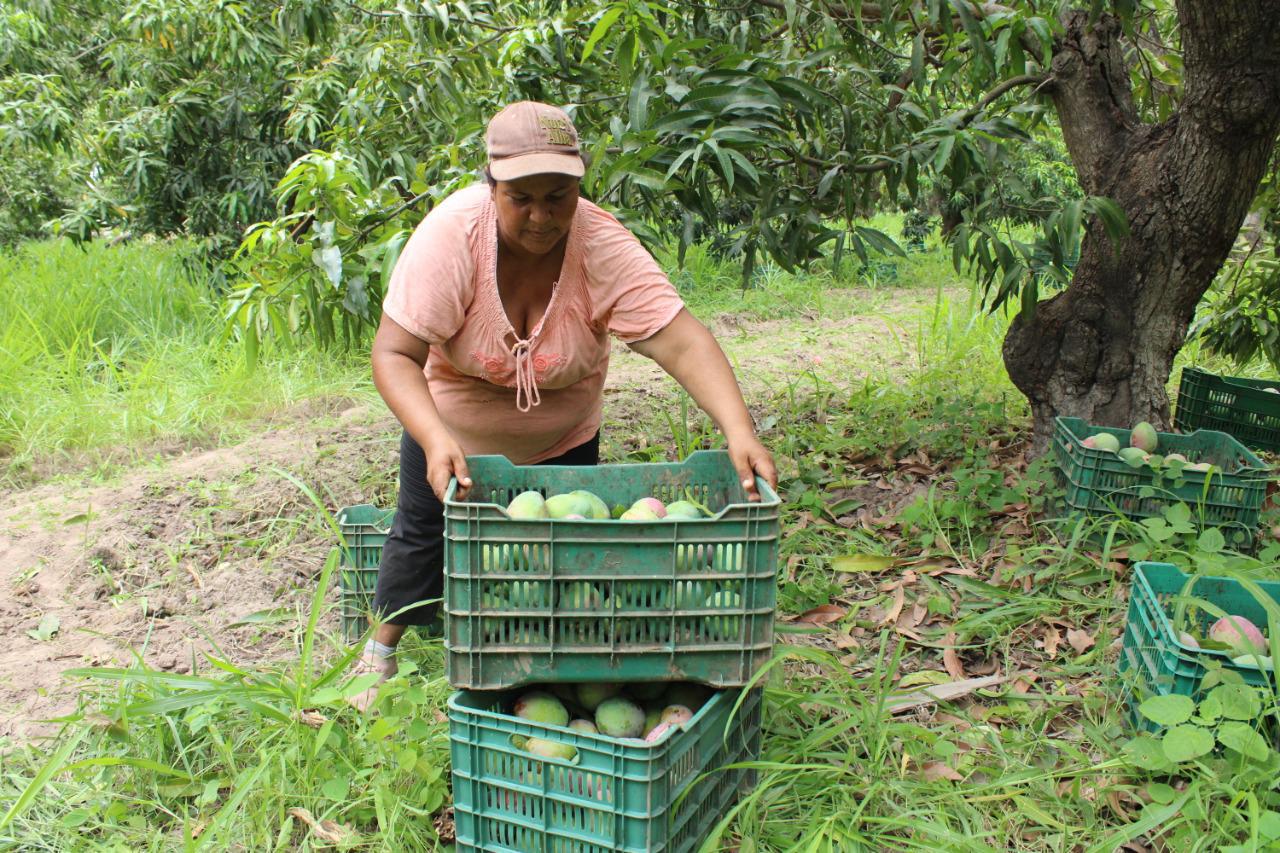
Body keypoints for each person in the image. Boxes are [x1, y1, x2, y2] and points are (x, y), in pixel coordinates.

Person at [350, 101, 776, 710]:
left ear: (579, 187)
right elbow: (394, 354)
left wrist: (739, 429)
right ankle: (377, 656)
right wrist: (434, 438)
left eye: (559, 196)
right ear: (491, 186)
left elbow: (680, 339)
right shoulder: (452, 237)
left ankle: (536, 661)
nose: (542, 216)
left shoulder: (600, 245)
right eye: (522, 197)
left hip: (564, 436)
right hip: (451, 432)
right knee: (422, 538)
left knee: (558, 560)